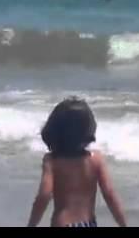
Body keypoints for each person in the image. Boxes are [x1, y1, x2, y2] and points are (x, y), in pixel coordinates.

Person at [27, 97, 127, 227]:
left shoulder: (52, 161)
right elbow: (110, 194)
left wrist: (31, 224)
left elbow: (44, 195)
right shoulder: (96, 159)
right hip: (89, 223)